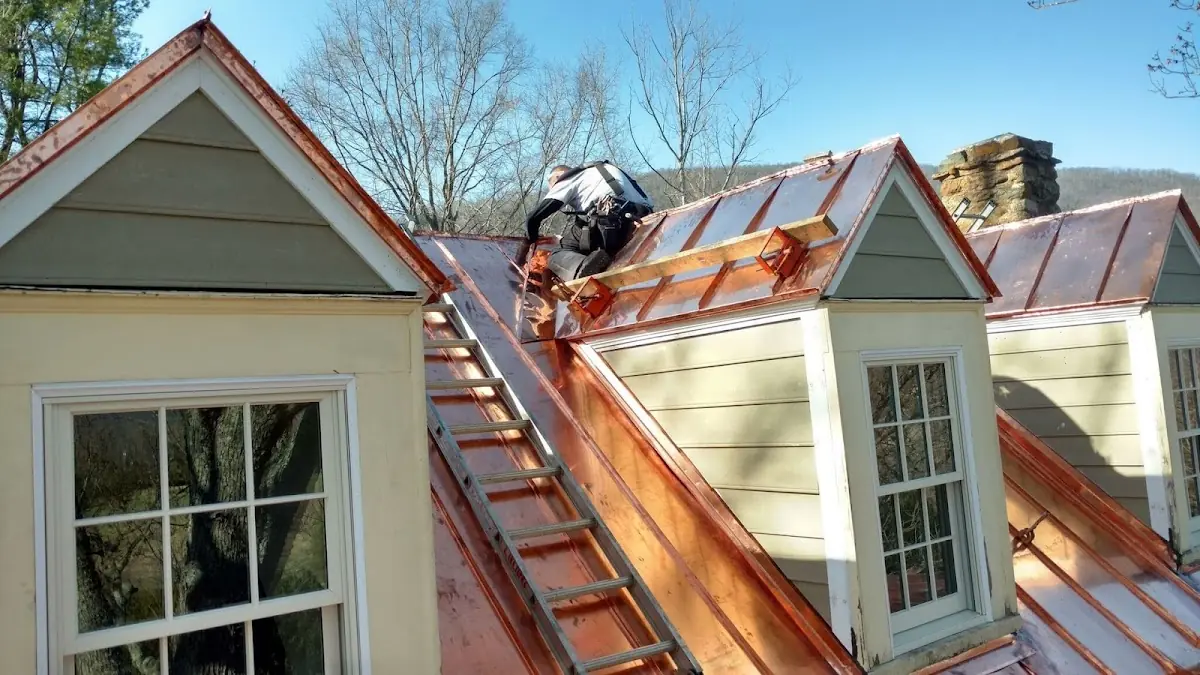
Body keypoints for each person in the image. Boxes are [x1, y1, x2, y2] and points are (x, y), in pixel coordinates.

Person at [517, 161, 654, 281]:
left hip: (611, 221)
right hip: (643, 220)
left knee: (557, 254)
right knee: (580, 228)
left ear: (557, 177)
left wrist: (529, 242)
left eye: (552, 186)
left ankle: (585, 268)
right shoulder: (601, 170)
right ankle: (597, 259)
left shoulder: (568, 178)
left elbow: (533, 218)